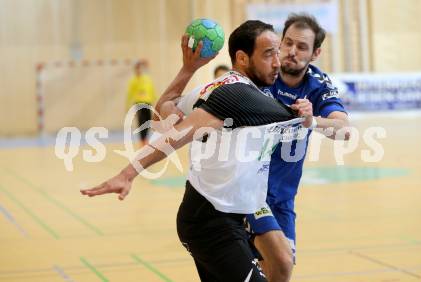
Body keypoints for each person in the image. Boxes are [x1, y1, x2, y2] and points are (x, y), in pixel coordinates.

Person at [81, 20, 307, 282]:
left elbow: (165, 108)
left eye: (277, 52)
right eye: (269, 54)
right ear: (243, 58)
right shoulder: (235, 95)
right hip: (212, 222)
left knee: (281, 263)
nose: (277, 62)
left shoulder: (218, 89)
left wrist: (188, 69)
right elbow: (174, 134)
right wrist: (128, 173)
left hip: (230, 213)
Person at [245, 13, 350, 282]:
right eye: (288, 43)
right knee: (277, 262)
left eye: (301, 47)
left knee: (282, 270)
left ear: (315, 53)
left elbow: (344, 130)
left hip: (282, 198)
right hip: (248, 193)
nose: (291, 52)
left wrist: (311, 120)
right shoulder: (262, 72)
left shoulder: (318, 85)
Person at [126, 60, 157, 146]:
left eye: (140, 68)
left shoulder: (147, 78)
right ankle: (142, 140)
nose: (139, 70)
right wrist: (127, 105)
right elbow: (129, 93)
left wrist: (155, 100)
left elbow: (151, 89)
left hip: (148, 102)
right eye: (137, 69)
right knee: (141, 122)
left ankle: (145, 139)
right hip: (139, 103)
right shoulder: (133, 81)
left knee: (148, 121)